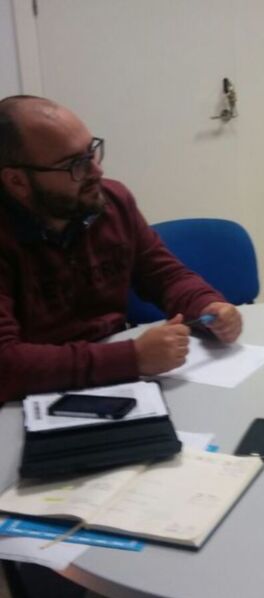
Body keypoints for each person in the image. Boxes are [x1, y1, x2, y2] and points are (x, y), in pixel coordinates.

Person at [0, 95, 243, 403]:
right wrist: (131, 358)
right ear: (17, 181)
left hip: (118, 380)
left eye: (92, 151)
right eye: (76, 164)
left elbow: (163, 274)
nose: (97, 172)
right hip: (31, 399)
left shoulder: (110, 202)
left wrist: (208, 305)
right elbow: (6, 365)